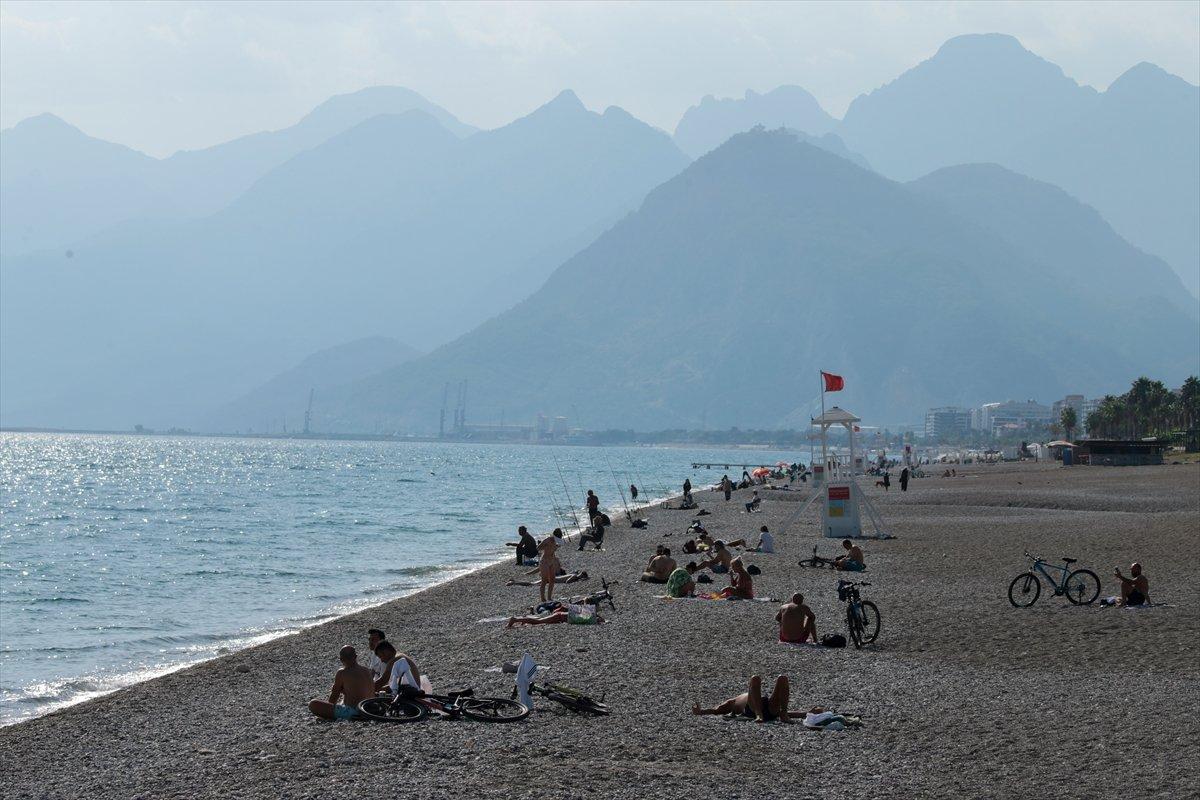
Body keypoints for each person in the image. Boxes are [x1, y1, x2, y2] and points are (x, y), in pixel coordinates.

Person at [691, 675, 799, 723]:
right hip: (752, 710)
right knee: (755, 678)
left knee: (782, 678)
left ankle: (783, 713)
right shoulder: (732, 702)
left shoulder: (734, 700)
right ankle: (759, 714)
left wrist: (806, 713)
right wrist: (701, 712)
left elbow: (716, 710)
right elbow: (716, 710)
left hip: (767, 708)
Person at [308, 645, 376, 721]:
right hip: (370, 710)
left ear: (341, 659)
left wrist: (328, 711)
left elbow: (334, 696)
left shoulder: (342, 672)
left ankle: (349, 716)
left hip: (355, 712)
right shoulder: (366, 670)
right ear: (356, 656)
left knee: (313, 704)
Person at [506, 602, 604, 627]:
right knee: (538, 621)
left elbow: (571, 609)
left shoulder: (587, 612)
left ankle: (523, 619)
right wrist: (601, 620)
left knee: (539, 620)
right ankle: (515, 619)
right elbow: (597, 620)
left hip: (559, 616)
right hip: (559, 617)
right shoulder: (590, 616)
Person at [537, 534, 562, 601]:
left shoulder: (557, 541)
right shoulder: (547, 540)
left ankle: (549, 597)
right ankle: (543, 598)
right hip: (544, 561)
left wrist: (556, 546)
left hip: (552, 560)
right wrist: (545, 546)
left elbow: (558, 545)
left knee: (552, 579)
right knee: (544, 580)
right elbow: (538, 548)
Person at [508, 569, 588, 587]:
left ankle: (515, 582)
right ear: (582, 576)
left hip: (551, 579)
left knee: (532, 583)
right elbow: (567, 582)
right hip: (550, 579)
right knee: (532, 584)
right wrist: (578, 580)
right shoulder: (574, 576)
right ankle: (514, 582)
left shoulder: (573, 574)